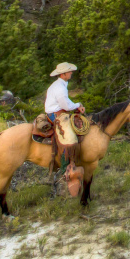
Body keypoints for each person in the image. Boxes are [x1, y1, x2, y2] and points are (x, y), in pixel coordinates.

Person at [45, 62, 86, 195]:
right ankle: (64, 169)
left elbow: (67, 103)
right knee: (69, 138)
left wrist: (76, 105)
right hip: (57, 114)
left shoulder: (61, 85)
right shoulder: (60, 88)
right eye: (69, 71)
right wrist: (78, 104)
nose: (71, 73)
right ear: (63, 74)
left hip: (60, 111)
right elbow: (65, 105)